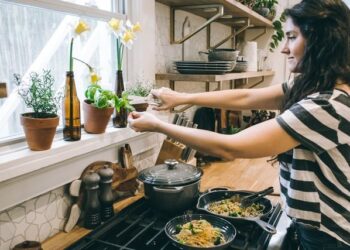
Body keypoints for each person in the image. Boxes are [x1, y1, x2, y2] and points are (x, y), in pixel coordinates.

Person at [128, 0, 350, 249]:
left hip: (329, 234)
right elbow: (245, 97)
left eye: (291, 37)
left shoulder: (327, 105)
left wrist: (158, 125)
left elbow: (231, 146)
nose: (284, 49)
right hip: (311, 225)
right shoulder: (312, 87)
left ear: (322, 40)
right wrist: (183, 97)